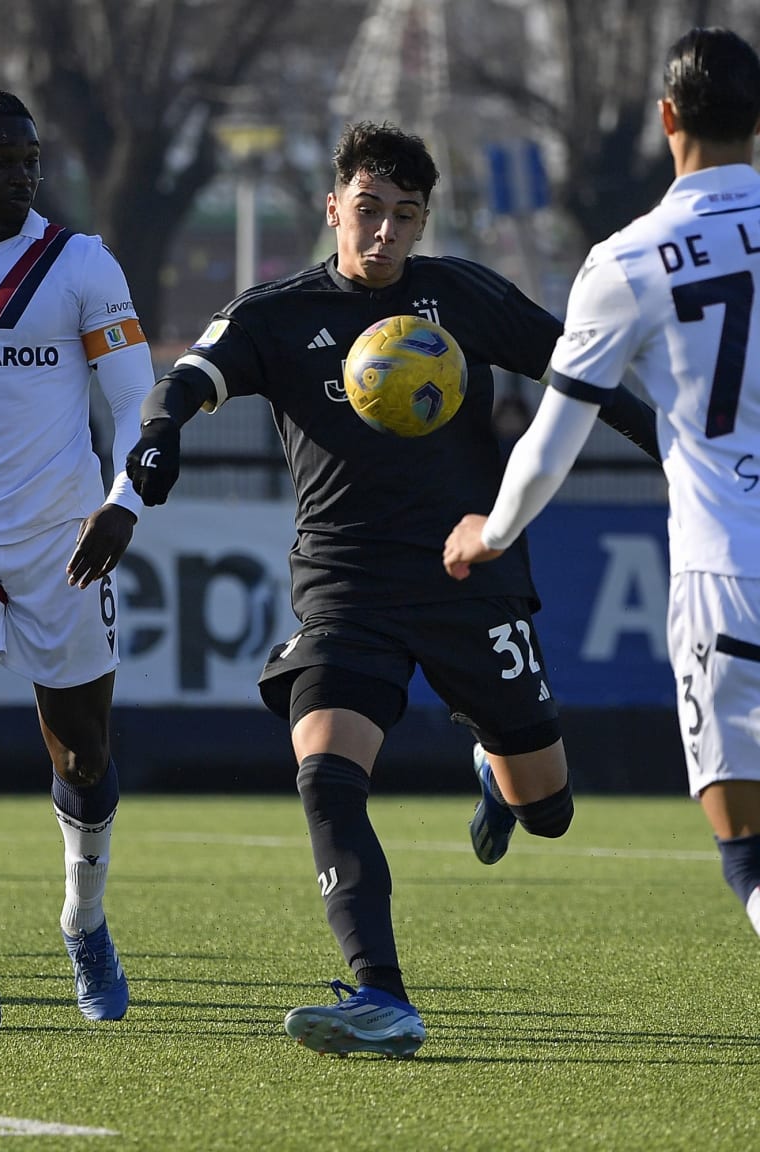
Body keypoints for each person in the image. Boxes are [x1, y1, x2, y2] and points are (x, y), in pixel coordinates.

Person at [125, 120, 660, 1058]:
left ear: (422, 223)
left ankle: (499, 771)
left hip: (470, 576)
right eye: (366, 212)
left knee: (551, 812)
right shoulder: (278, 312)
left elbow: (579, 371)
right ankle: (384, 998)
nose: (381, 235)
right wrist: (161, 432)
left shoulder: (462, 296)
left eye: (402, 218)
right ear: (334, 206)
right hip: (345, 585)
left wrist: (664, 442)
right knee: (327, 782)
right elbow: (190, 377)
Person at [444, 27, 760, 947]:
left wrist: (491, 533)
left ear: (667, 118)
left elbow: (551, 440)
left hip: (727, 574)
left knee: (746, 851)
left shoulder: (630, 259)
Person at [0, 90, 155, 1028]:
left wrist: (122, 503)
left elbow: (139, 402)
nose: (19, 174)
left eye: (28, 159)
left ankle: (83, 921)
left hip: (62, 542)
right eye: (1, 159)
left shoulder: (80, 263)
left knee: (82, 753)